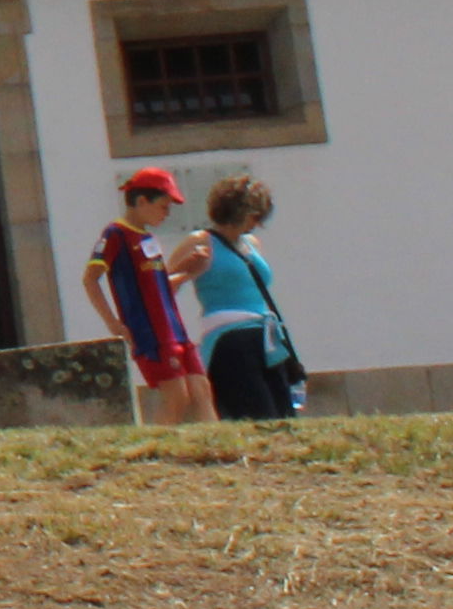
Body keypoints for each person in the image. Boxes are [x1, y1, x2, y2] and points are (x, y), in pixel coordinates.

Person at [82, 166, 209, 426]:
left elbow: (158, 285)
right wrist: (113, 323)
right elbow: (90, 278)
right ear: (141, 201)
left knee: (201, 391)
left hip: (175, 329)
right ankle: (157, 450)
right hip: (150, 332)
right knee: (177, 398)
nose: (167, 213)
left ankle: (219, 444)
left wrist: (188, 270)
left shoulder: (149, 238)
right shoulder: (116, 234)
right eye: (163, 206)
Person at [174, 171, 302, 421]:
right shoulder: (199, 242)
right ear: (237, 211)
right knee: (255, 412)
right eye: (254, 215)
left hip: (266, 335)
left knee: (283, 415)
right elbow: (159, 288)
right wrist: (188, 271)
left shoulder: (251, 244)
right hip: (229, 338)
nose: (257, 223)